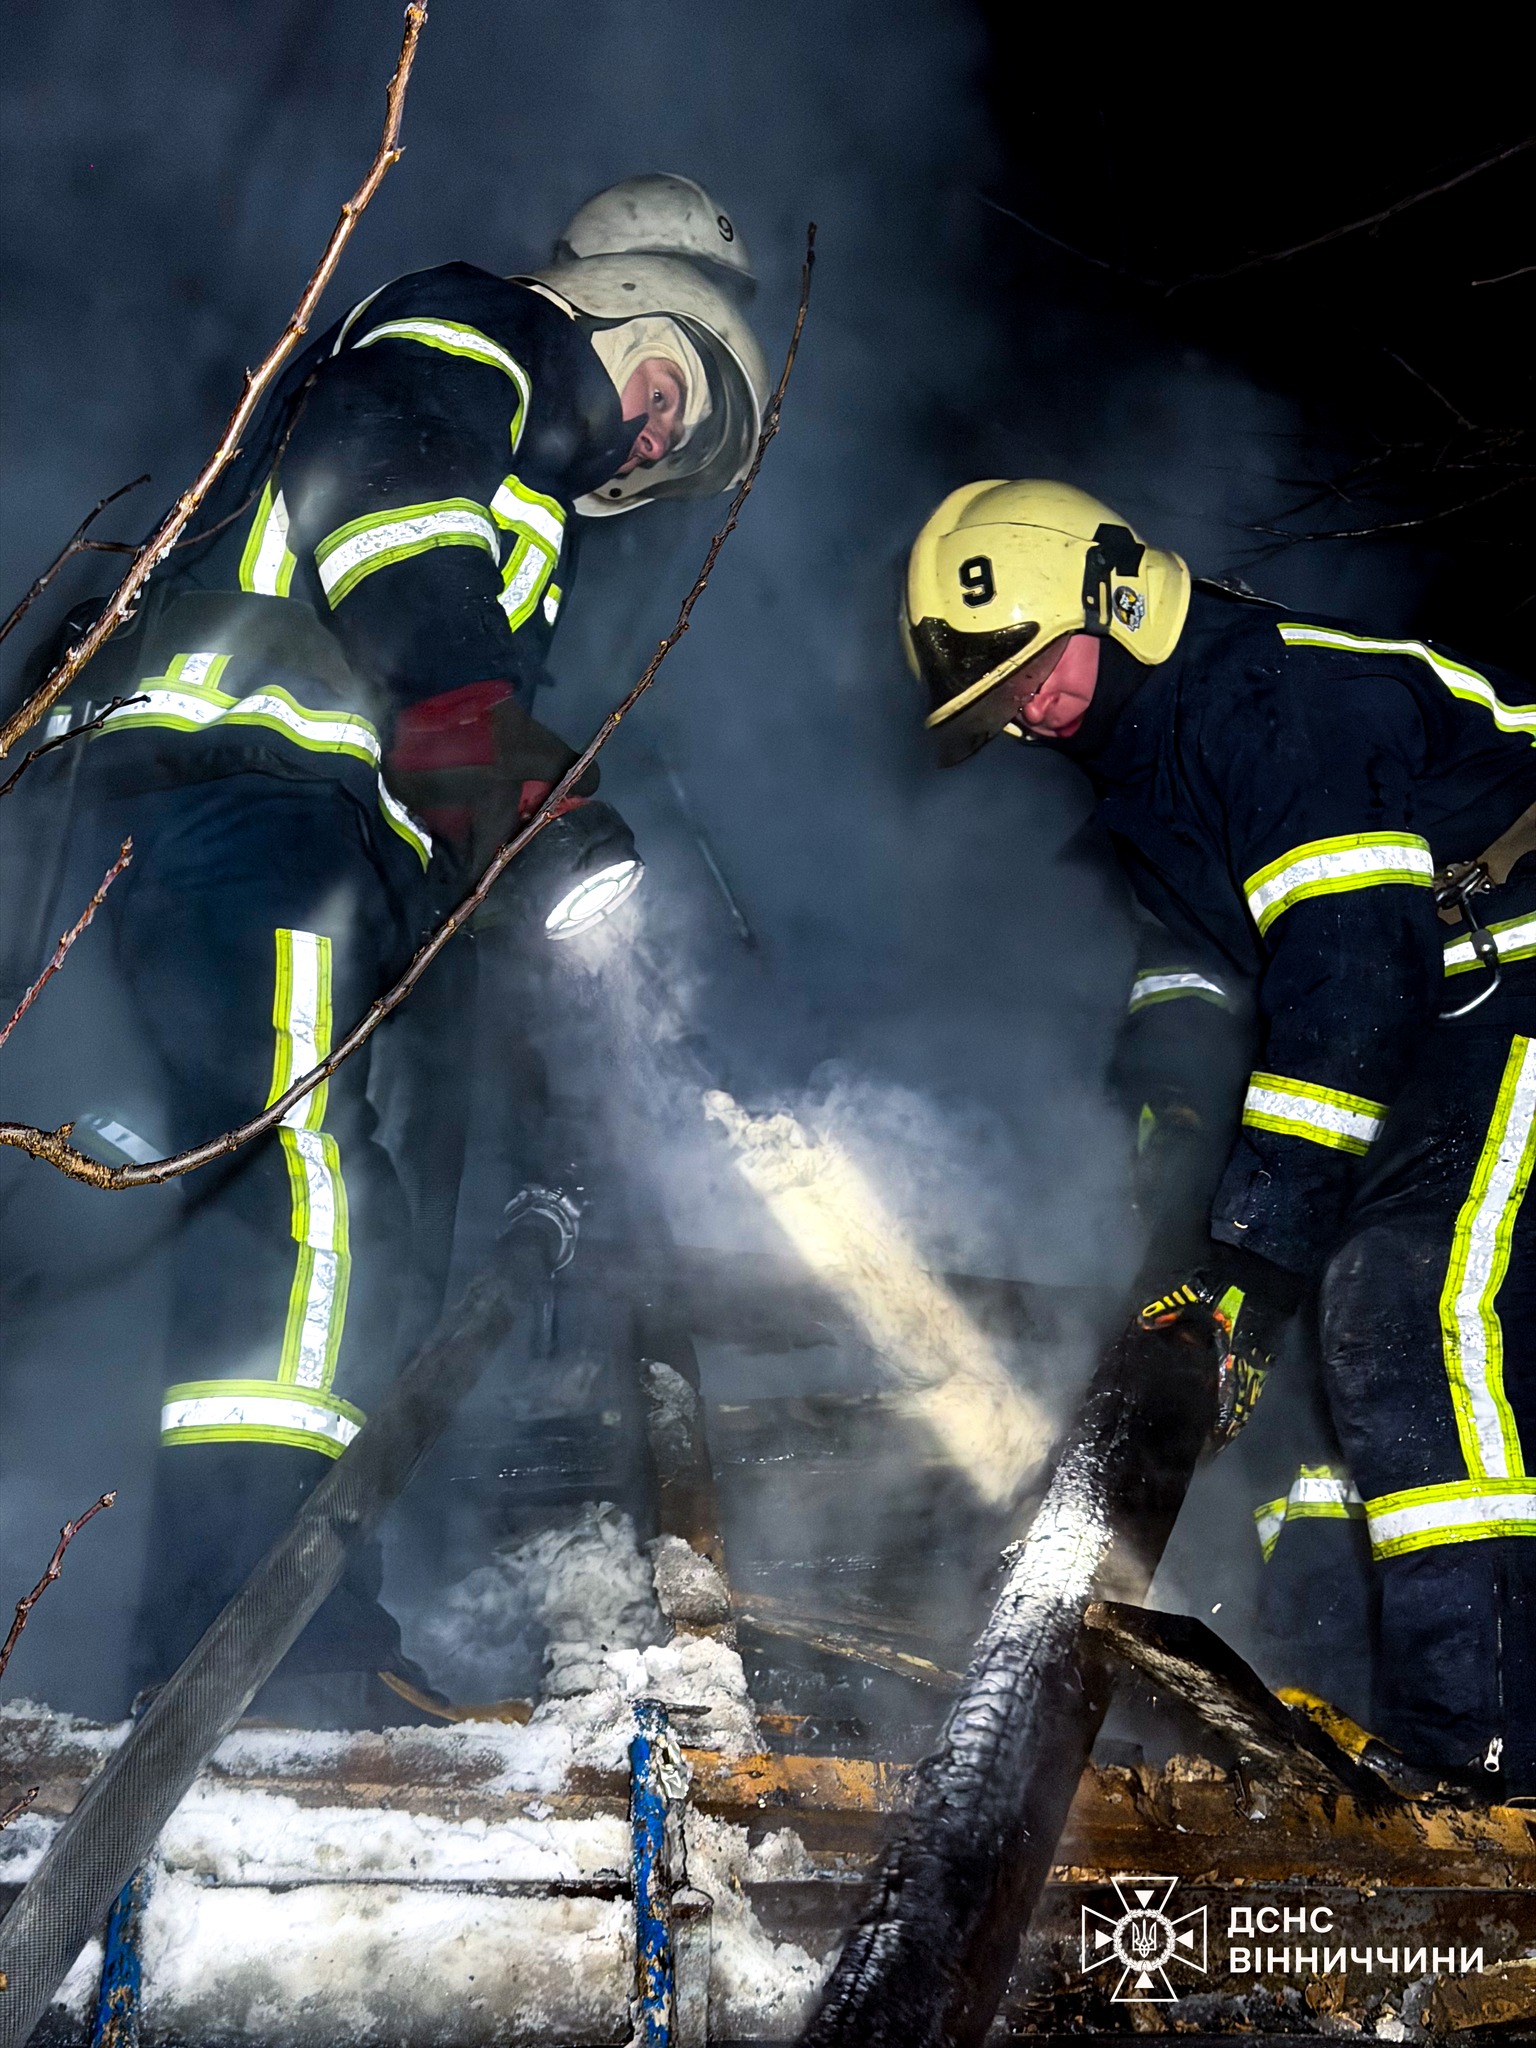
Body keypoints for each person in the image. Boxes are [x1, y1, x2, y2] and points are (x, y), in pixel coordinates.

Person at [0, 176, 766, 1726]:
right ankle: (263, 1649)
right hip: (244, 789)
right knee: (311, 1191)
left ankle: (234, 1620)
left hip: (215, 822)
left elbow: (446, 753)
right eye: (674, 391)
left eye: (680, 449)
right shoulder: (481, 334)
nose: (657, 440)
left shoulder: (531, 498)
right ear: (624, 300)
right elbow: (395, 512)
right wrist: (486, 737)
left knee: (272, 1211)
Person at [902, 478, 1536, 1796]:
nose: (1025, 713)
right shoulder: (1150, 783)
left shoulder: (1276, 703)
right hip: (1420, 1032)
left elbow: (1352, 981)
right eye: (998, 704)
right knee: (1292, 1349)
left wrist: (1257, 1250)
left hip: (1505, 993)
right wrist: (1187, 1188)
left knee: (1398, 1303)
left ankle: (1483, 1757)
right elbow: (1203, 992)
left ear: (1116, 598)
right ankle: (1333, 1712)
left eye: (1029, 672)